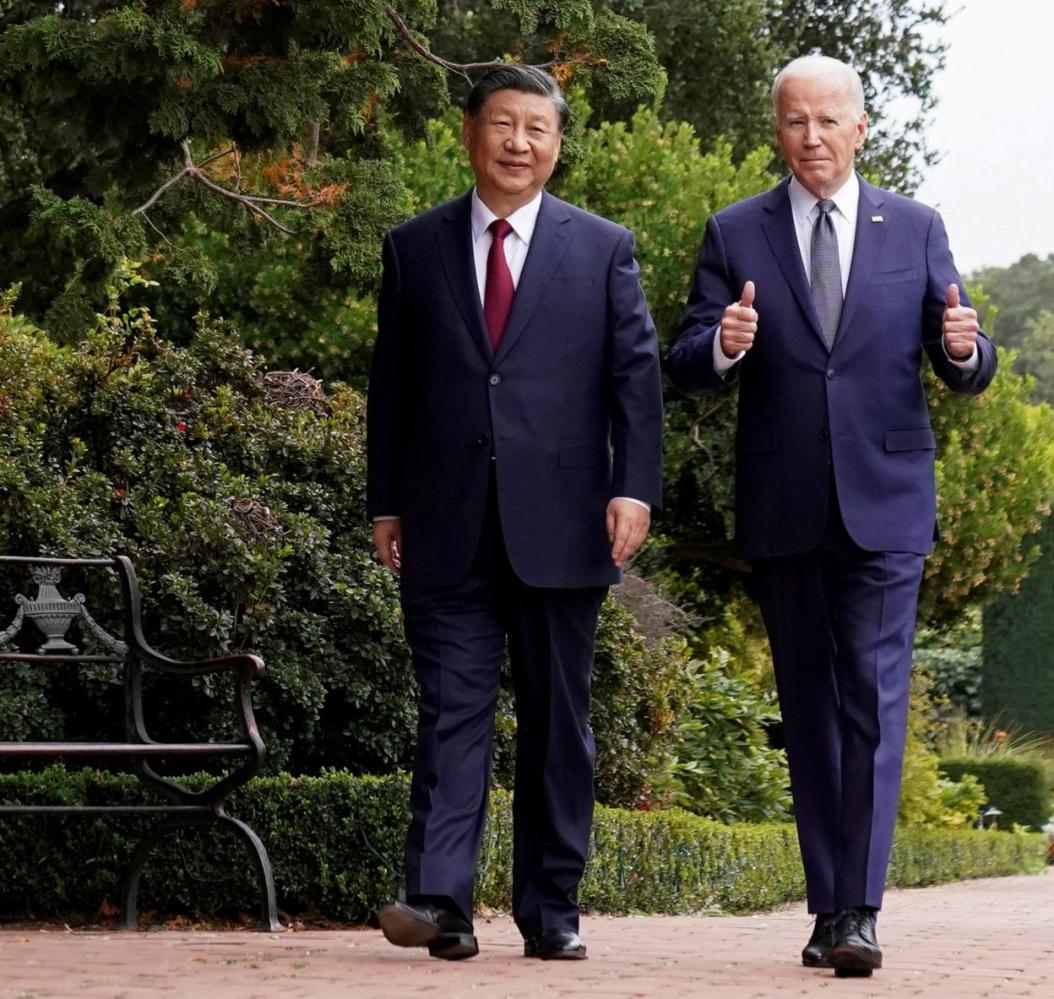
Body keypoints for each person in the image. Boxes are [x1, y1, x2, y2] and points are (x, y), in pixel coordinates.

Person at [665, 54, 997, 978]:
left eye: (828, 121)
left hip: (887, 505)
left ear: (861, 129)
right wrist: (722, 349)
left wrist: (967, 353)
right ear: (776, 130)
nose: (811, 138)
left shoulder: (917, 227)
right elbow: (684, 356)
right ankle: (826, 905)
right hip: (784, 505)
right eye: (794, 122)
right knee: (809, 708)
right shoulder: (735, 231)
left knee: (875, 705)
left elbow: (960, 347)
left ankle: (860, 911)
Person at [366, 64, 663, 963]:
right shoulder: (413, 247)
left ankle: (551, 907)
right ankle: (441, 901)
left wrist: (633, 486)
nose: (518, 143)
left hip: (566, 522)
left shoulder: (603, 246)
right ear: (470, 132)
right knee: (450, 710)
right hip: (443, 519)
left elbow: (635, 384)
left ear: (558, 145)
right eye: (503, 124)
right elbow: (392, 389)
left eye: (537, 128)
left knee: (555, 721)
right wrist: (386, 501)